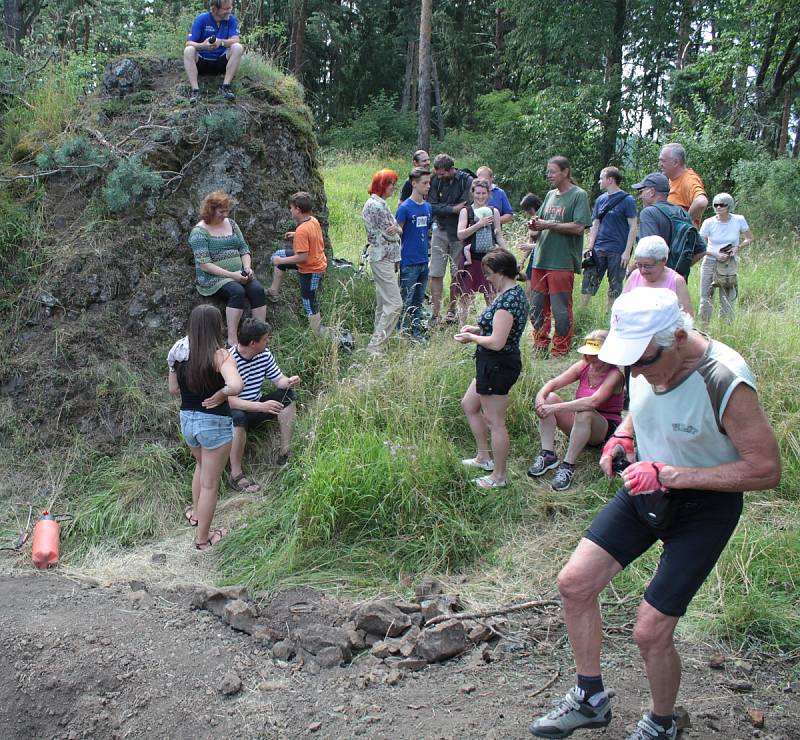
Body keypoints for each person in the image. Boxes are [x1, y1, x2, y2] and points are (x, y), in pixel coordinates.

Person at [528, 287, 780, 740]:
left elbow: (765, 470)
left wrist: (671, 473)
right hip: (645, 486)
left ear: (679, 336)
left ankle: (662, 724)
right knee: (574, 583)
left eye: (643, 362)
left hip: (704, 508)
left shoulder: (725, 379)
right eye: (629, 364)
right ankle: (590, 699)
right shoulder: (643, 359)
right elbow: (636, 407)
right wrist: (622, 436)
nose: (636, 372)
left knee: (650, 631)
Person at [168, 304, 243, 550]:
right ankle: (202, 539)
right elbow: (236, 385)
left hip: (187, 419)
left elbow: (173, 389)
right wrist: (221, 394)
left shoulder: (178, 351)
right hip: (214, 422)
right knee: (211, 483)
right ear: (215, 326)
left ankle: (197, 516)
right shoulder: (219, 355)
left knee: (200, 467)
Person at [455, 249, 529, 489]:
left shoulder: (507, 301)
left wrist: (473, 339)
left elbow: (497, 342)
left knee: (495, 422)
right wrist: (476, 329)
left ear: (500, 272)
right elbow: (496, 331)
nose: (486, 278)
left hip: (498, 363)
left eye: (488, 274)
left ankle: (499, 476)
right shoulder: (511, 293)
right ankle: (483, 457)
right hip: (492, 362)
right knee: (469, 404)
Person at [527, 330, 624, 491]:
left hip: (603, 428)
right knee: (550, 397)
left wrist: (553, 408)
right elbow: (553, 383)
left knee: (584, 410)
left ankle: (568, 465)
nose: (592, 359)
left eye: (596, 355)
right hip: (581, 422)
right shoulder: (584, 366)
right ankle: (548, 455)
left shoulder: (615, 375)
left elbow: (593, 402)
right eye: (589, 354)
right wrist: (541, 399)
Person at [528, 156, 592, 357]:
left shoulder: (578, 195)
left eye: (553, 171)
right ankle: (540, 345)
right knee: (536, 307)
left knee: (560, 309)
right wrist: (535, 225)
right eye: (548, 171)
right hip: (541, 258)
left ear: (565, 172)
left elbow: (579, 227)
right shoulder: (550, 195)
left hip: (562, 262)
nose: (549, 175)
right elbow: (541, 222)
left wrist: (548, 225)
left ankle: (560, 350)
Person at [227, 319, 300, 492]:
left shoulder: (264, 354)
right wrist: (261, 407)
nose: (268, 342)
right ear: (253, 343)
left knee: (287, 396)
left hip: (258, 406)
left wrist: (288, 381)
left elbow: (278, 380)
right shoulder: (229, 360)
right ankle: (235, 474)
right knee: (238, 416)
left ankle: (285, 453)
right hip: (236, 413)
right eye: (265, 339)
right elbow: (229, 400)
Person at [189, 191, 267, 345]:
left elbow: (244, 249)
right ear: (210, 210)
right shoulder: (199, 233)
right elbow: (205, 265)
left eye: (227, 211)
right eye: (221, 211)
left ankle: (260, 334)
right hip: (214, 278)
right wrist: (233, 275)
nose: (225, 214)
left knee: (257, 289)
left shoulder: (232, 224)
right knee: (237, 291)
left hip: (239, 274)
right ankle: (232, 339)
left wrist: (247, 268)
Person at [267, 192, 328, 335]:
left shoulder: (302, 230)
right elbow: (311, 236)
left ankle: (317, 333)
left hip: (312, 269)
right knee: (278, 254)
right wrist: (296, 235)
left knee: (308, 300)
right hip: (313, 261)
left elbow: (302, 258)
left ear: (298, 209)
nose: (290, 210)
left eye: (291, 208)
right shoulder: (312, 220)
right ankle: (273, 292)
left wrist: (281, 261)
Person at [580, 167, 637, 309]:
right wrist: (590, 247)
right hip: (599, 249)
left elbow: (633, 227)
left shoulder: (628, 200)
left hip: (618, 250)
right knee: (589, 281)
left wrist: (627, 252)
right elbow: (595, 224)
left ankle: (611, 315)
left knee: (615, 285)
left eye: (601, 178)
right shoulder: (600, 200)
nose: (599, 181)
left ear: (610, 180)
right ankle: (582, 312)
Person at [633, 172, 705, 280]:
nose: (640, 196)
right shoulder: (681, 212)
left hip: (655, 282)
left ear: (652, 191)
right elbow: (701, 250)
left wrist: (630, 271)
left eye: (641, 191)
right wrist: (677, 269)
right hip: (677, 281)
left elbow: (646, 252)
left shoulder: (648, 213)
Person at [362, 169, 404, 355]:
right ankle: (375, 346)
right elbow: (391, 232)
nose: (393, 188)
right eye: (390, 184)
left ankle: (377, 343)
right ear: (382, 185)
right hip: (382, 257)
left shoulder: (381, 204)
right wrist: (395, 231)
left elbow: (398, 229)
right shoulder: (375, 206)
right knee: (395, 303)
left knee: (383, 302)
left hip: (387, 257)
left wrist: (396, 231)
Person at [428, 154, 473, 325]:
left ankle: (452, 311)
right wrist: (452, 209)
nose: (439, 177)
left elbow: (467, 205)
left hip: (459, 233)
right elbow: (432, 205)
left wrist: (448, 209)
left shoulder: (466, 181)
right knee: (436, 272)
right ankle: (435, 313)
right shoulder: (436, 180)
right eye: (437, 174)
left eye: (442, 174)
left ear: (450, 169)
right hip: (440, 230)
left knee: (457, 274)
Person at [456, 178, 506, 324]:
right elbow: (460, 234)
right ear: (472, 193)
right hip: (470, 258)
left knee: (491, 295)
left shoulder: (493, 212)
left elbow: (498, 236)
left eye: (484, 193)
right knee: (466, 296)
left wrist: (507, 255)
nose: (480, 196)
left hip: (489, 260)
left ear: (488, 194)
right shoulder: (466, 211)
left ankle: (491, 327)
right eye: (477, 193)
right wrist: (478, 225)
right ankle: (462, 327)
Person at [698, 192, 753, 322]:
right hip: (711, 260)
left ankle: (725, 327)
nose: (718, 207)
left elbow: (749, 238)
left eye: (722, 205)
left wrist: (737, 247)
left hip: (729, 263)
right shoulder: (708, 222)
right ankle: (704, 327)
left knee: (727, 296)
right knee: (706, 296)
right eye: (716, 205)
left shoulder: (739, 219)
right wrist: (715, 254)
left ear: (729, 206)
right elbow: (700, 245)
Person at [395, 167, 432, 341]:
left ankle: (416, 331)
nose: (428, 186)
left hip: (424, 259)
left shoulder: (427, 207)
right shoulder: (405, 208)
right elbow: (397, 233)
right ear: (414, 183)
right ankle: (401, 331)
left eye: (429, 182)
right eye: (424, 183)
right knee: (405, 298)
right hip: (409, 260)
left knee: (419, 299)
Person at [184, 0, 244, 105]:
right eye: (226, 9)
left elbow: (236, 40)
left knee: (238, 47)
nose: (229, 11)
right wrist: (203, 45)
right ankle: (195, 91)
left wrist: (221, 42)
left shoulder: (231, 20)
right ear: (215, 9)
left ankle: (225, 87)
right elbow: (189, 42)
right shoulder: (201, 19)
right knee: (189, 50)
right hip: (201, 61)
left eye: (230, 8)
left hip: (221, 61)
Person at [624, 236, 693, 315]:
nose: (643, 270)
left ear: (663, 260)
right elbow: (621, 307)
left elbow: (687, 317)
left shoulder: (676, 281)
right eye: (639, 265)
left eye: (648, 265)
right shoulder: (635, 275)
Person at [659, 142, 708, 227]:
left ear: (675, 162)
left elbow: (701, 202)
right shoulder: (671, 179)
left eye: (663, 161)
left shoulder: (689, 180)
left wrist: (684, 223)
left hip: (685, 239)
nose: (660, 164)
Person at [518, 193, 543, 299]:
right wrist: (522, 261)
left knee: (537, 290)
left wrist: (531, 246)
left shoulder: (545, 219)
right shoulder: (532, 220)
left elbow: (548, 242)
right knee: (528, 288)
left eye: (528, 209)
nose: (528, 212)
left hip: (544, 256)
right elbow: (530, 241)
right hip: (534, 257)